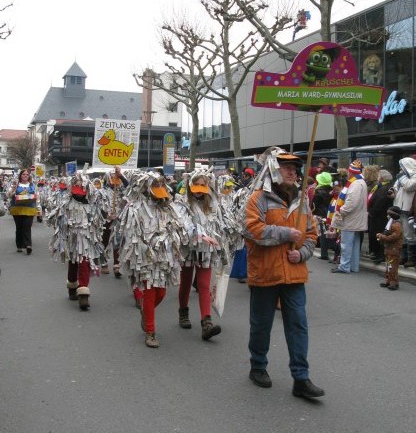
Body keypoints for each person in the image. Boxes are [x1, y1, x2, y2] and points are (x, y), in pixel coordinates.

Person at [244, 147, 324, 399]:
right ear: (274, 170)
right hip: (265, 274)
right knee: (261, 325)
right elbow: (252, 230)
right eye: (287, 168)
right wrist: (285, 233)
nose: (292, 172)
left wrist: (302, 254)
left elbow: (311, 235)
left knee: (298, 325)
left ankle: (301, 378)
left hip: (294, 274)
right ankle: (258, 366)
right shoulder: (257, 198)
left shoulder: (302, 201)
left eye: (295, 168)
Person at [118, 171, 188, 348]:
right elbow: (132, 234)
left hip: (165, 258)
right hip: (146, 258)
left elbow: (179, 227)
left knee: (161, 293)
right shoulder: (136, 209)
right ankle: (150, 331)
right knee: (150, 292)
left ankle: (145, 312)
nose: (159, 190)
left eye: (161, 186)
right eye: (155, 186)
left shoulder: (169, 207)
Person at [175, 169, 235, 341]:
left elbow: (220, 224)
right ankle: (183, 312)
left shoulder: (214, 203)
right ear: (190, 185)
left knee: (203, 284)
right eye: (197, 185)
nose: (200, 189)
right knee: (186, 282)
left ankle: (206, 322)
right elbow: (183, 224)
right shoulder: (181, 202)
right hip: (187, 248)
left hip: (207, 250)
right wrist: (199, 235)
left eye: (203, 185)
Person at [48, 174, 107, 310]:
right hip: (72, 239)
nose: (79, 192)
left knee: (85, 263)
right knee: (73, 263)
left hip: (87, 239)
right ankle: (72, 285)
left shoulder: (93, 203)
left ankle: (83, 293)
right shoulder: (66, 203)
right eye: (76, 187)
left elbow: (100, 219)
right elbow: (57, 221)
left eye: (82, 187)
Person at [330, 160, 368, 274]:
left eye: (349, 171)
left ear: (352, 172)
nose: (347, 173)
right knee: (355, 244)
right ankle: (353, 266)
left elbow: (351, 203)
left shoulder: (355, 183)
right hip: (356, 218)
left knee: (346, 244)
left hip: (350, 219)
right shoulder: (361, 182)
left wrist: (341, 210)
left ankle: (344, 266)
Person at [392, 157, 416, 269]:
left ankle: (411, 258)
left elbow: (409, 186)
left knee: (410, 234)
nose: (400, 169)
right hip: (400, 207)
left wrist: (401, 177)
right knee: (402, 234)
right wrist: (392, 191)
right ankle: (404, 257)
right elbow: (396, 187)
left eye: (402, 166)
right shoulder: (402, 176)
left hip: (409, 209)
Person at [101, 166, 129, 277]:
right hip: (106, 220)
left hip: (119, 220)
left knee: (118, 241)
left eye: (116, 179)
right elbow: (98, 206)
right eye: (112, 178)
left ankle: (117, 265)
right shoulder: (102, 192)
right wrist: (107, 216)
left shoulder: (123, 191)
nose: (114, 181)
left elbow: (131, 188)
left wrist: (121, 176)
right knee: (105, 241)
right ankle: (103, 263)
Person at [7, 169, 39, 254]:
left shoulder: (32, 185)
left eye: (27, 174)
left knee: (27, 227)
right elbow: (9, 195)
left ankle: (28, 245)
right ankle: (19, 245)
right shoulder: (16, 184)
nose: (25, 175)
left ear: (29, 176)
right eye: (23, 174)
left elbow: (37, 195)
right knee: (19, 227)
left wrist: (38, 205)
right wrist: (13, 190)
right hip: (17, 209)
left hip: (29, 209)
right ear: (20, 175)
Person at [367, 169, 393, 264]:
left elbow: (380, 202)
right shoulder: (380, 186)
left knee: (379, 235)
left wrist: (371, 212)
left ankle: (380, 255)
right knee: (377, 234)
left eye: (378, 176)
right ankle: (377, 253)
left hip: (380, 216)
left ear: (381, 178)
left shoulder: (384, 188)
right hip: (377, 215)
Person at [377, 206, 403, 290]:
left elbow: (394, 237)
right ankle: (388, 280)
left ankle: (394, 282)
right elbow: (387, 233)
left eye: (389, 214)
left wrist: (382, 237)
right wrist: (382, 236)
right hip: (389, 248)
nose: (387, 216)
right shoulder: (390, 223)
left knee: (393, 267)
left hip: (394, 249)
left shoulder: (397, 225)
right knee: (388, 266)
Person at [312, 171, 333, 260]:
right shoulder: (332, 191)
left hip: (319, 215)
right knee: (330, 232)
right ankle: (331, 248)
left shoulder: (318, 192)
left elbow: (313, 206)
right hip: (329, 214)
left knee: (322, 234)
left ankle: (324, 253)